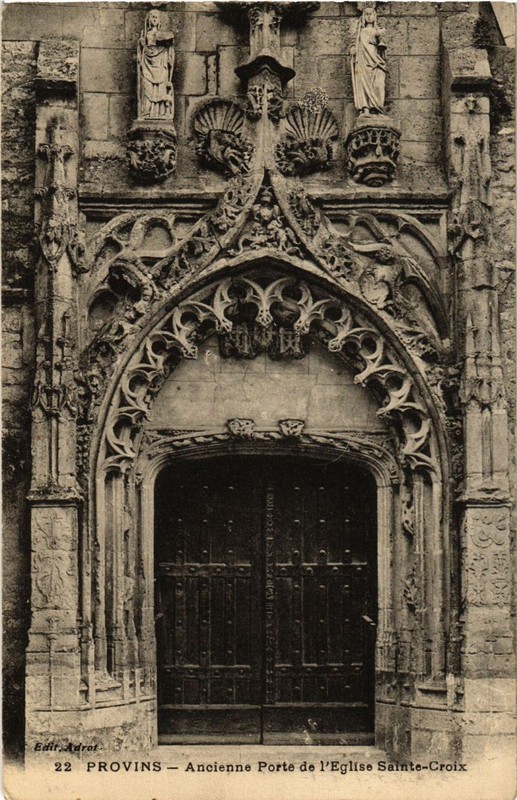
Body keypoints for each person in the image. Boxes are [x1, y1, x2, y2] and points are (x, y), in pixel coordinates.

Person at [138, 10, 175, 120]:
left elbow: (170, 48)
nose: (154, 19)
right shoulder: (145, 35)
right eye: (152, 17)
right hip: (147, 63)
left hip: (161, 63)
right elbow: (141, 52)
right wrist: (141, 44)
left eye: (156, 17)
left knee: (161, 87)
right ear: (148, 20)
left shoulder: (163, 35)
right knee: (146, 86)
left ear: (159, 21)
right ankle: (147, 113)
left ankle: (160, 113)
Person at [350, 6, 387, 116]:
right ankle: (365, 108)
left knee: (379, 84)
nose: (369, 16)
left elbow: (383, 49)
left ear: (375, 16)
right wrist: (352, 48)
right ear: (363, 17)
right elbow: (360, 39)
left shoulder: (378, 31)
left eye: (371, 14)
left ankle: (377, 108)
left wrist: (381, 36)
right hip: (363, 60)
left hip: (376, 60)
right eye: (366, 14)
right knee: (362, 83)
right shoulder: (361, 31)